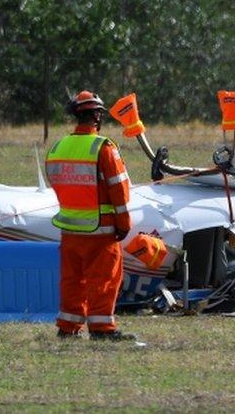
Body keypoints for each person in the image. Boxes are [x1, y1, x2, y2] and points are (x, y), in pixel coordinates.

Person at [46, 90, 136, 341]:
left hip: (70, 229)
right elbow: (119, 190)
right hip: (102, 230)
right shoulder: (103, 148)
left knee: (72, 279)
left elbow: (55, 182)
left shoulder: (58, 147)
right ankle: (102, 328)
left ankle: (68, 326)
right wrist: (124, 223)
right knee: (104, 279)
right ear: (97, 116)